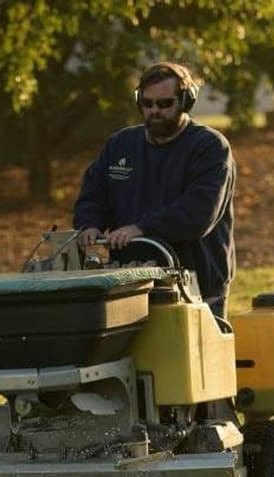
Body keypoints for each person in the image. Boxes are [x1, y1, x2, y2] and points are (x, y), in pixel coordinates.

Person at [73, 61, 236, 317]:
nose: (154, 111)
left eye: (164, 104)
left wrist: (141, 229)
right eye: (147, 104)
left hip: (195, 285)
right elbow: (93, 194)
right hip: (129, 286)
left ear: (186, 101)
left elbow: (198, 213)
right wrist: (89, 226)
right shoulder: (120, 144)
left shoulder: (210, 148)